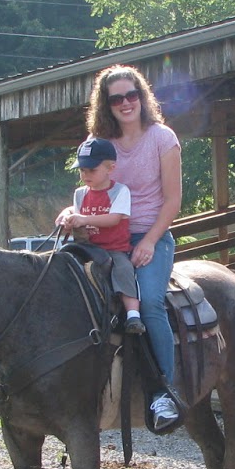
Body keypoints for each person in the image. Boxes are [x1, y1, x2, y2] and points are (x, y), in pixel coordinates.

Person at [85, 65, 182, 432]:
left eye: (132, 95)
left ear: (142, 97)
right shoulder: (99, 142)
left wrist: (151, 241)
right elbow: (88, 188)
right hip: (102, 240)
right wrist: (73, 214)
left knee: (151, 302)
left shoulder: (162, 138)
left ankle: (163, 393)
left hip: (147, 235)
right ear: (106, 105)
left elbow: (173, 200)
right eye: (116, 99)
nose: (126, 103)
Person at [55, 138, 145, 335]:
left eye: (92, 170)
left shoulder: (120, 191)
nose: (86, 174)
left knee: (123, 269)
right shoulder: (79, 194)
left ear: (110, 168)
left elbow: (114, 219)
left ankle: (133, 315)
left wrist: (83, 218)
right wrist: (69, 222)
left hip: (113, 249)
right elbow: (78, 220)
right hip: (86, 247)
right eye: (82, 170)